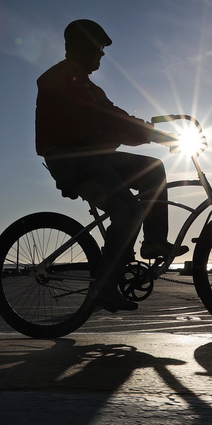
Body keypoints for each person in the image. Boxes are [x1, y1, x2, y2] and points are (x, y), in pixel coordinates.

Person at [35, 19, 187, 313]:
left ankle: (154, 242)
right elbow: (105, 120)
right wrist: (153, 133)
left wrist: (156, 134)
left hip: (95, 157)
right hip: (75, 160)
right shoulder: (63, 79)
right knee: (128, 210)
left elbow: (114, 116)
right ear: (81, 47)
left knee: (153, 169)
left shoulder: (86, 83)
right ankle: (103, 287)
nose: (102, 54)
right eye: (98, 48)